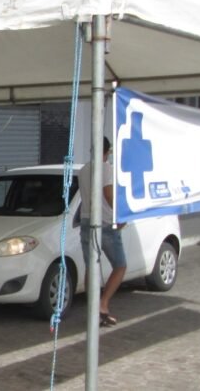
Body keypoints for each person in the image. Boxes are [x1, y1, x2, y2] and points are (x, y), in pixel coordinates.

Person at [81, 137, 126, 327]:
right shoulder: (106, 168)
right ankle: (103, 304)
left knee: (91, 266)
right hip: (105, 223)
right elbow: (108, 194)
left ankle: (93, 309)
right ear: (107, 152)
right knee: (120, 265)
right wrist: (120, 215)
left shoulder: (83, 170)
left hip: (86, 220)